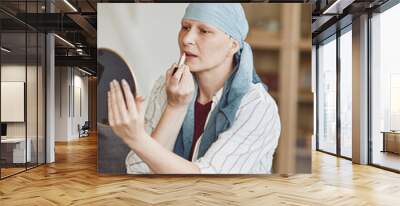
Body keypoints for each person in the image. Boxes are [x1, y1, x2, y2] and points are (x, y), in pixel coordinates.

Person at [107, 3, 281, 174]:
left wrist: (137, 139)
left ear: (233, 45)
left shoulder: (257, 106)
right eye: (185, 27)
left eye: (204, 31)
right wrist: (175, 106)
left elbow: (209, 180)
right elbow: (140, 169)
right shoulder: (167, 86)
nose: (186, 39)